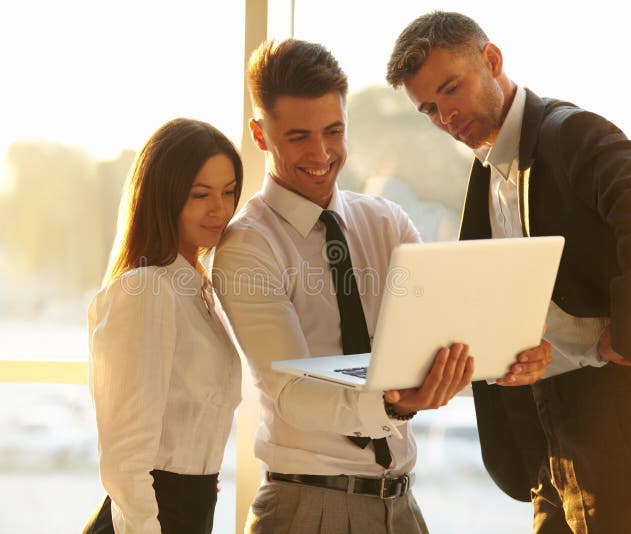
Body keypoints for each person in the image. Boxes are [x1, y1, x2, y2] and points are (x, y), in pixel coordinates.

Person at [213, 38, 549, 534]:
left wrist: (508, 358)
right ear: (260, 135)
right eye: (298, 137)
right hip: (305, 509)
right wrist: (393, 403)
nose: (321, 154)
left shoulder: (386, 222)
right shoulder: (249, 245)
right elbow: (292, 392)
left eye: (334, 131)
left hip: (401, 507)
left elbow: (442, 342)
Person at [386, 11, 631, 533]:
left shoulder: (567, 132)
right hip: (547, 436)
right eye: (429, 109)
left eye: (451, 89)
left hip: (618, 418)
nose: (446, 116)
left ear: (492, 60)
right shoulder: (489, 172)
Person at [83, 118, 244, 534]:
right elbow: (125, 461)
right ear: (164, 197)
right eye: (200, 194)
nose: (220, 209)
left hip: (188, 515)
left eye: (229, 192)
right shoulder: (147, 291)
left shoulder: (197, 291)